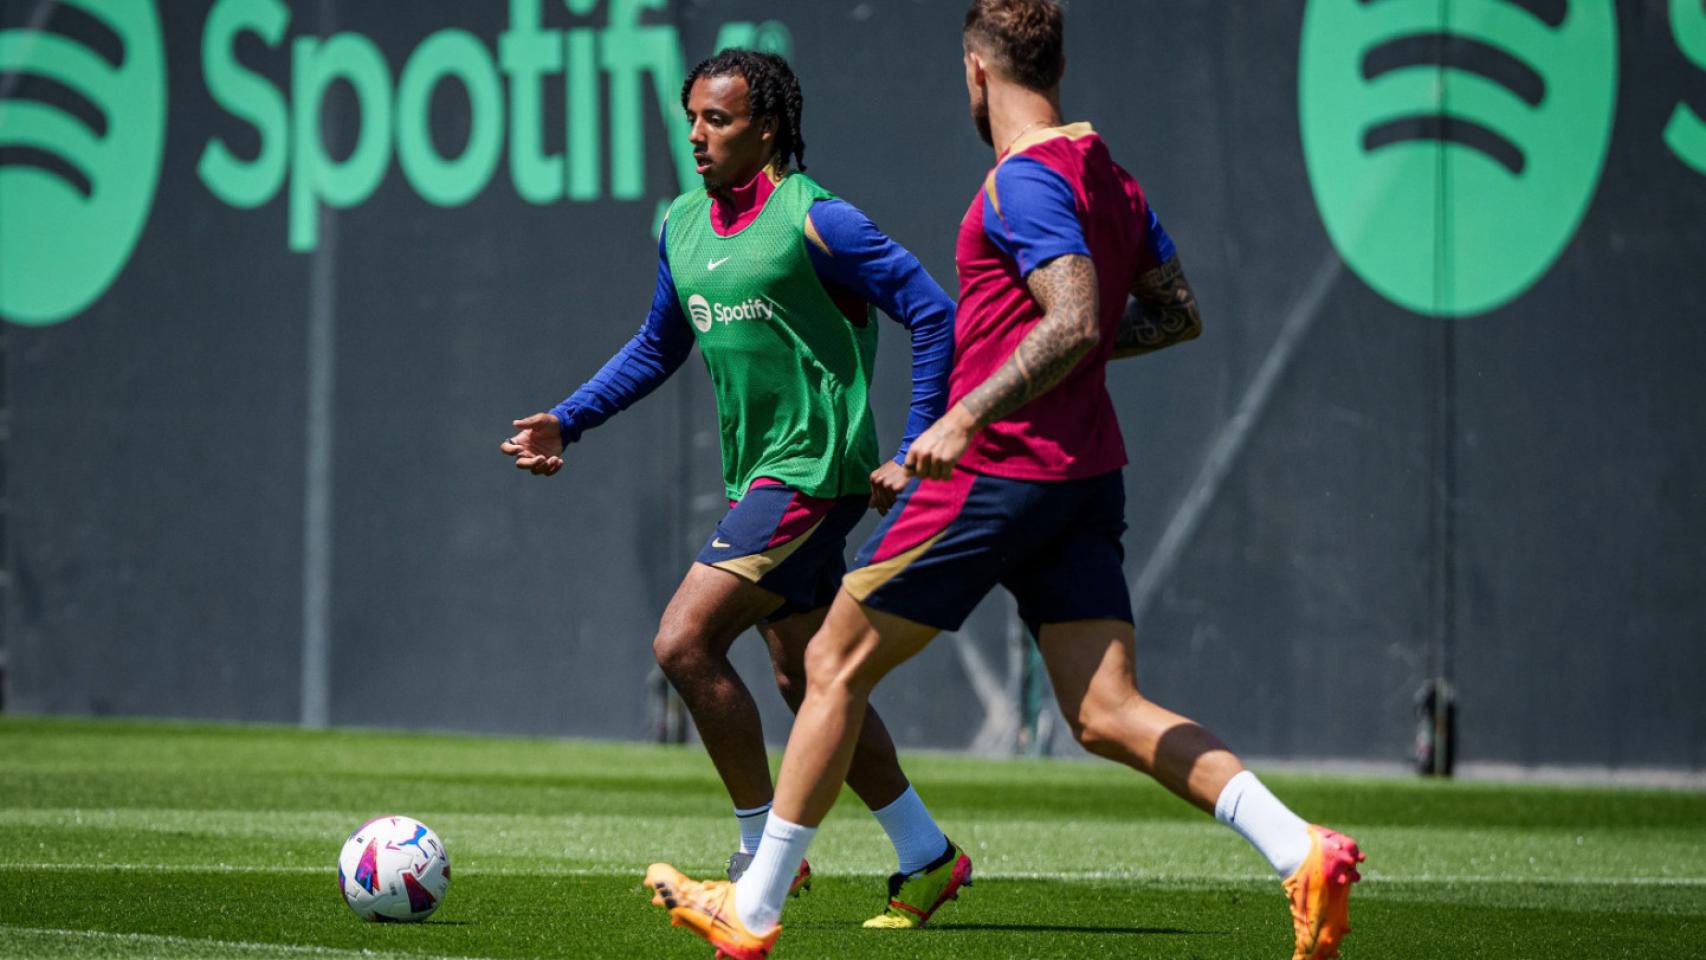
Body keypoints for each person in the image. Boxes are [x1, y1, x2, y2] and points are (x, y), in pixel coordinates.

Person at [643, 4, 1365, 960]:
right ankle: (1298, 847)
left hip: (995, 471)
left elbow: (1072, 321)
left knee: (828, 664)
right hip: (1083, 472)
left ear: (978, 74)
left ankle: (757, 904)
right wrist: (1049, 375)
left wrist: (965, 414)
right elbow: (1172, 314)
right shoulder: (1109, 174)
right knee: (1105, 711)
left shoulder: (1023, 182)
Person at [501, 49, 973, 927]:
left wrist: (913, 445)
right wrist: (571, 419)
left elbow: (934, 313)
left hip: (812, 473)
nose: (697, 136)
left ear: (768, 129)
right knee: (809, 679)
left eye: (717, 120)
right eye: (691, 119)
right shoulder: (683, 224)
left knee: (683, 640)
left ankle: (764, 858)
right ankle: (927, 857)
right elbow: (657, 346)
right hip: (763, 476)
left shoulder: (817, 219)